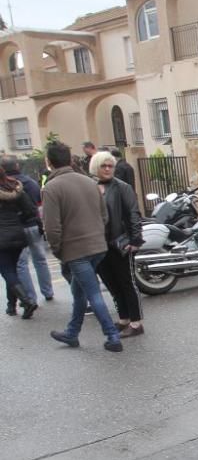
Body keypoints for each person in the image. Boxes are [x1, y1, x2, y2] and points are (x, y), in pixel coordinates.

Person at [41, 141, 123, 352]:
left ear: (49, 162)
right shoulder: (89, 182)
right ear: (69, 159)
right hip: (97, 246)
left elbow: (51, 227)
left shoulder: (51, 188)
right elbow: (104, 215)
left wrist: (58, 249)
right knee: (79, 291)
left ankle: (112, 336)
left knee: (92, 293)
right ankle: (72, 332)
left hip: (76, 250)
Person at [90, 151, 145, 337]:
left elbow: (133, 213)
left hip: (120, 243)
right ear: (95, 167)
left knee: (127, 283)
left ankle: (136, 323)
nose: (107, 169)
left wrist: (135, 240)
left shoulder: (122, 187)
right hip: (98, 245)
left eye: (110, 166)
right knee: (112, 284)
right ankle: (124, 319)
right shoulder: (90, 187)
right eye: (103, 166)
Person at [1, 157, 53, 310]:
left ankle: (29, 298)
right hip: (26, 228)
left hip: (9, 233)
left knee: (16, 267)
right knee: (40, 259)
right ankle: (47, 292)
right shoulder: (21, 184)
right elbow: (32, 206)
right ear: (16, 166)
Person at [0, 166, 39, 320]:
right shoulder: (15, 188)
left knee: (7, 271)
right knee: (12, 271)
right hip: (18, 234)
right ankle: (11, 306)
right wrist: (18, 220)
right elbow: (30, 210)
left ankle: (26, 301)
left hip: (1, 238)